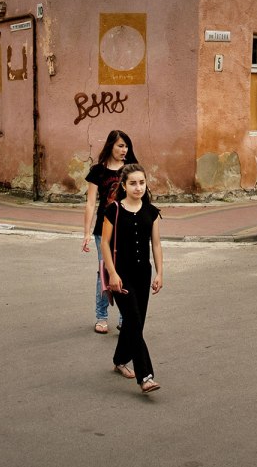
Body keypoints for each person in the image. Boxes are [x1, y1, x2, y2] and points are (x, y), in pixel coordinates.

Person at [100, 163, 164, 394]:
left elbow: (156, 245)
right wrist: (112, 273)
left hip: (142, 273)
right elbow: (105, 244)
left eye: (142, 183)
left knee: (136, 322)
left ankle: (119, 359)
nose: (138, 188)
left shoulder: (152, 212)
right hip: (121, 274)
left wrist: (160, 273)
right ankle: (145, 376)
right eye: (133, 183)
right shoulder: (113, 210)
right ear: (124, 186)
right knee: (135, 322)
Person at [82, 130, 138, 334]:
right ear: (110, 146)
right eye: (120, 146)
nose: (124, 150)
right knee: (104, 272)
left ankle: (125, 318)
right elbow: (90, 203)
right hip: (102, 230)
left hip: (127, 229)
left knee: (125, 272)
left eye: (126, 146)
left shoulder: (131, 170)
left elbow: (140, 198)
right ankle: (101, 317)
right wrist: (86, 233)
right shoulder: (98, 171)